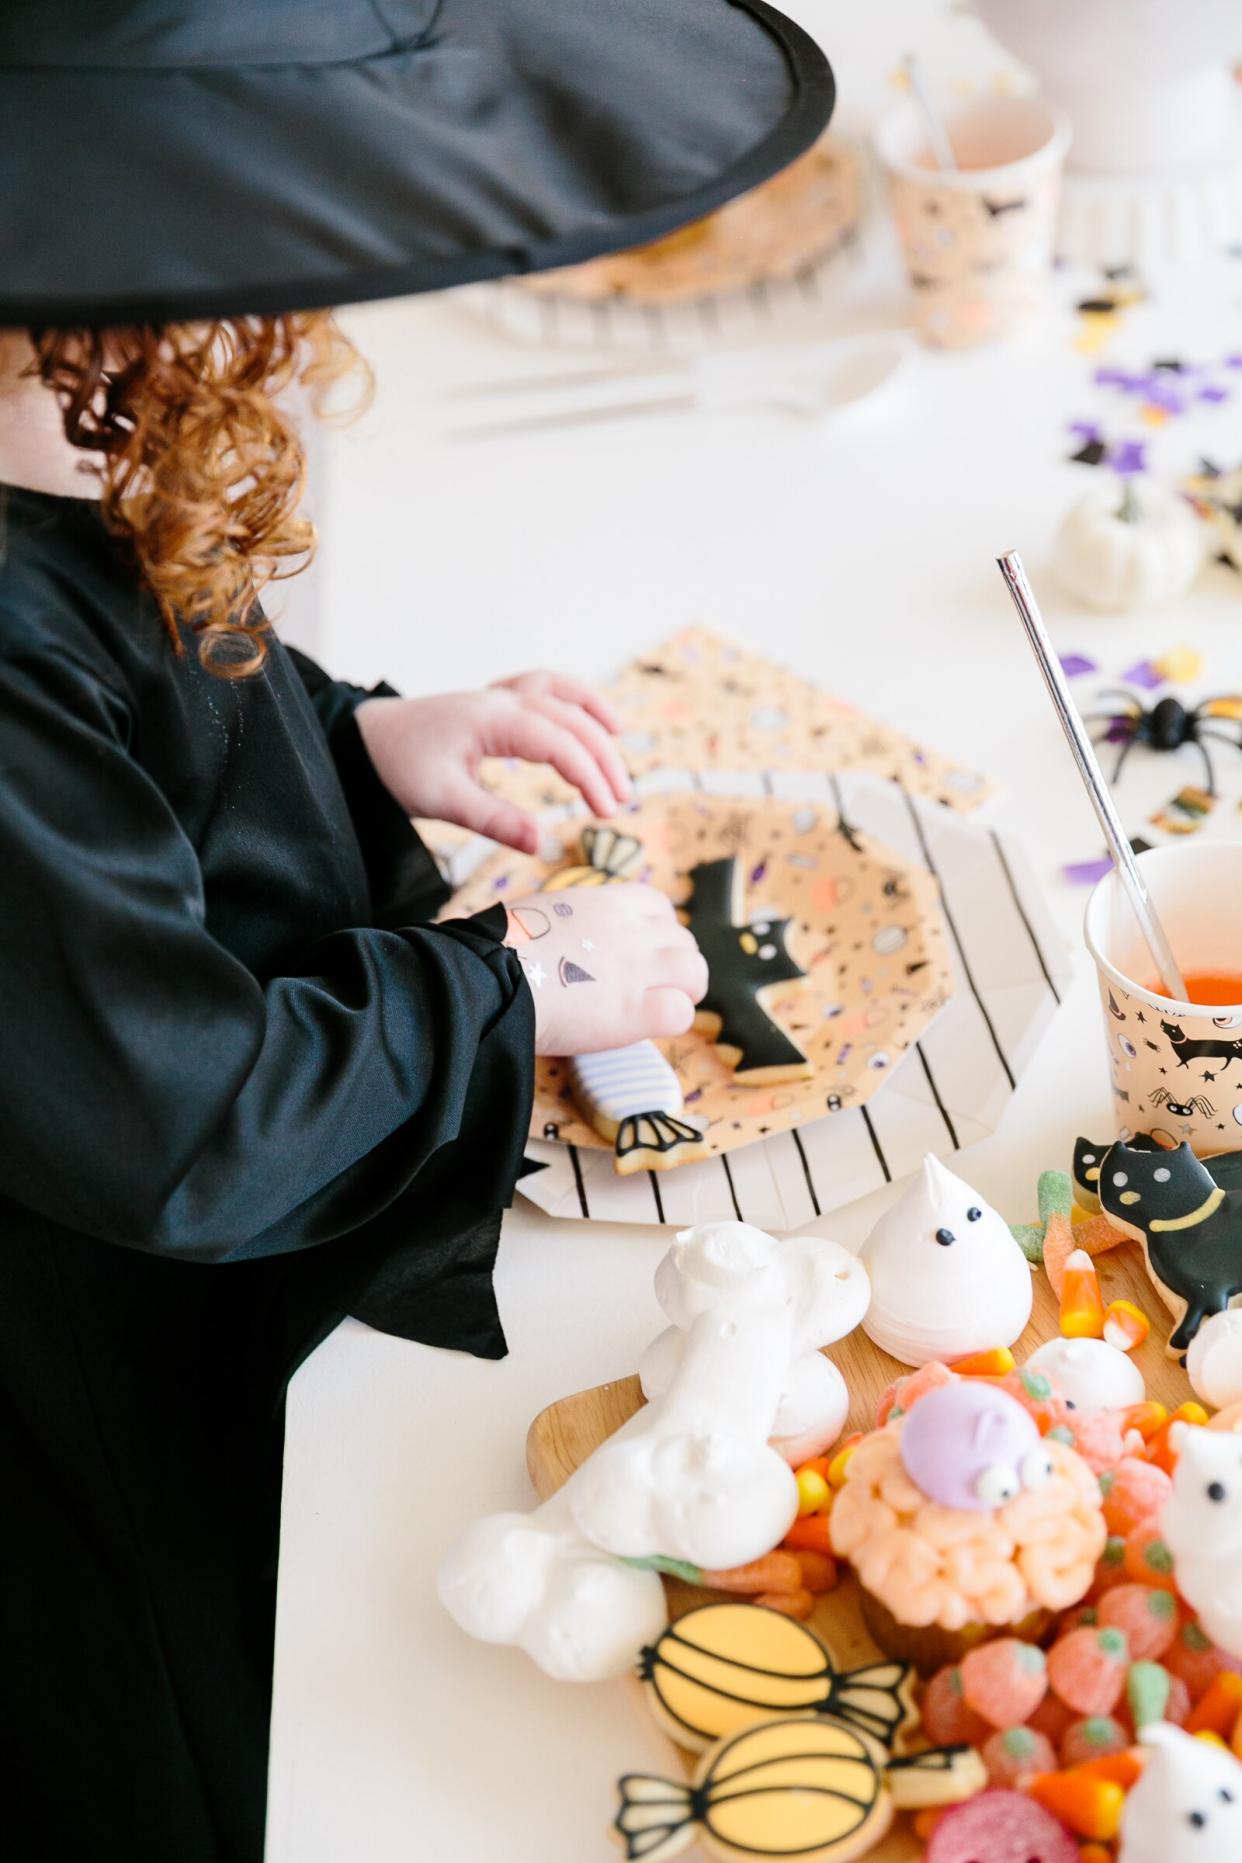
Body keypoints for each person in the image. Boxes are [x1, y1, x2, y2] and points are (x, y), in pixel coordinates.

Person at [0, 4, 833, 1858]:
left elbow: (128, 741)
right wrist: (517, 984)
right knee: (204, 1726)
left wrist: (355, 738)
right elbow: (177, 1113)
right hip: (79, 1353)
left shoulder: (37, 443)